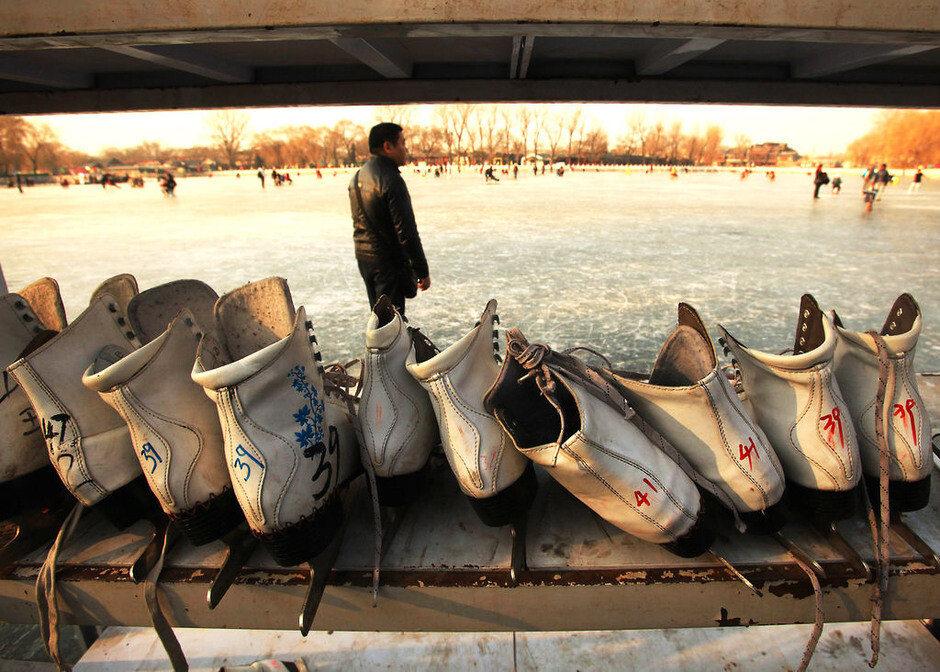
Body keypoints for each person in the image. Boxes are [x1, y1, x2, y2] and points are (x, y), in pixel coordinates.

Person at [349, 122, 430, 315]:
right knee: (391, 327)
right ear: (388, 147)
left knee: (378, 318)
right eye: (402, 143)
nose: (406, 149)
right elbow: (406, 232)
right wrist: (422, 271)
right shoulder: (391, 180)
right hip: (387, 264)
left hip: (365, 259)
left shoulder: (358, 176)